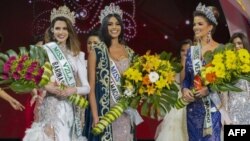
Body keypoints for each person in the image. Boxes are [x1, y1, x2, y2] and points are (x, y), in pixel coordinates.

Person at [23, 5, 90, 141]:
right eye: (58, 28)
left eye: (65, 28)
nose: (61, 32)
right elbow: (33, 79)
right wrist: (47, 86)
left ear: (70, 31)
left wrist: (72, 90)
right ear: (52, 30)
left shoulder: (78, 55)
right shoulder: (45, 50)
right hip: (49, 106)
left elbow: (87, 88)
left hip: (69, 109)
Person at [84, 3, 143, 141]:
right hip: (105, 112)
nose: (114, 27)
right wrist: (95, 116)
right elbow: (91, 89)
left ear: (121, 27)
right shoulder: (96, 51)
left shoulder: (130, 53)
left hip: (125, 111)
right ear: (105, 26)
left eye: (117, 24)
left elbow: (136, 84)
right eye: (110, 24)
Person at [182, 3, 225, 141]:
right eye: (194, 24)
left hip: (212, 108)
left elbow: (226, 81)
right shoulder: (191, 51)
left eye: (200, 24)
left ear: (210, 27)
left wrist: (209, 89)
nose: (195, 27)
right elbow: (187, 79)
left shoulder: (221, 50)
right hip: (193, 110)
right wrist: (184, 89)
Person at [155, 39, 192, 141]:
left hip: (188, 103)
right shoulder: (173, 67)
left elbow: (183, 82)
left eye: (188, 51)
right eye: (182, 50)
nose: (185, 53)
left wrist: (184, 63)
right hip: (175, 104)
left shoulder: (195, 67)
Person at [227, 32, 250, 124]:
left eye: (239, 43)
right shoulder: (227, 66)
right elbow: (224, 93)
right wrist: (225, 114)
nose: (236, 46)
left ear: (244, 44)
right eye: (233, 44)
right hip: (233, 111)